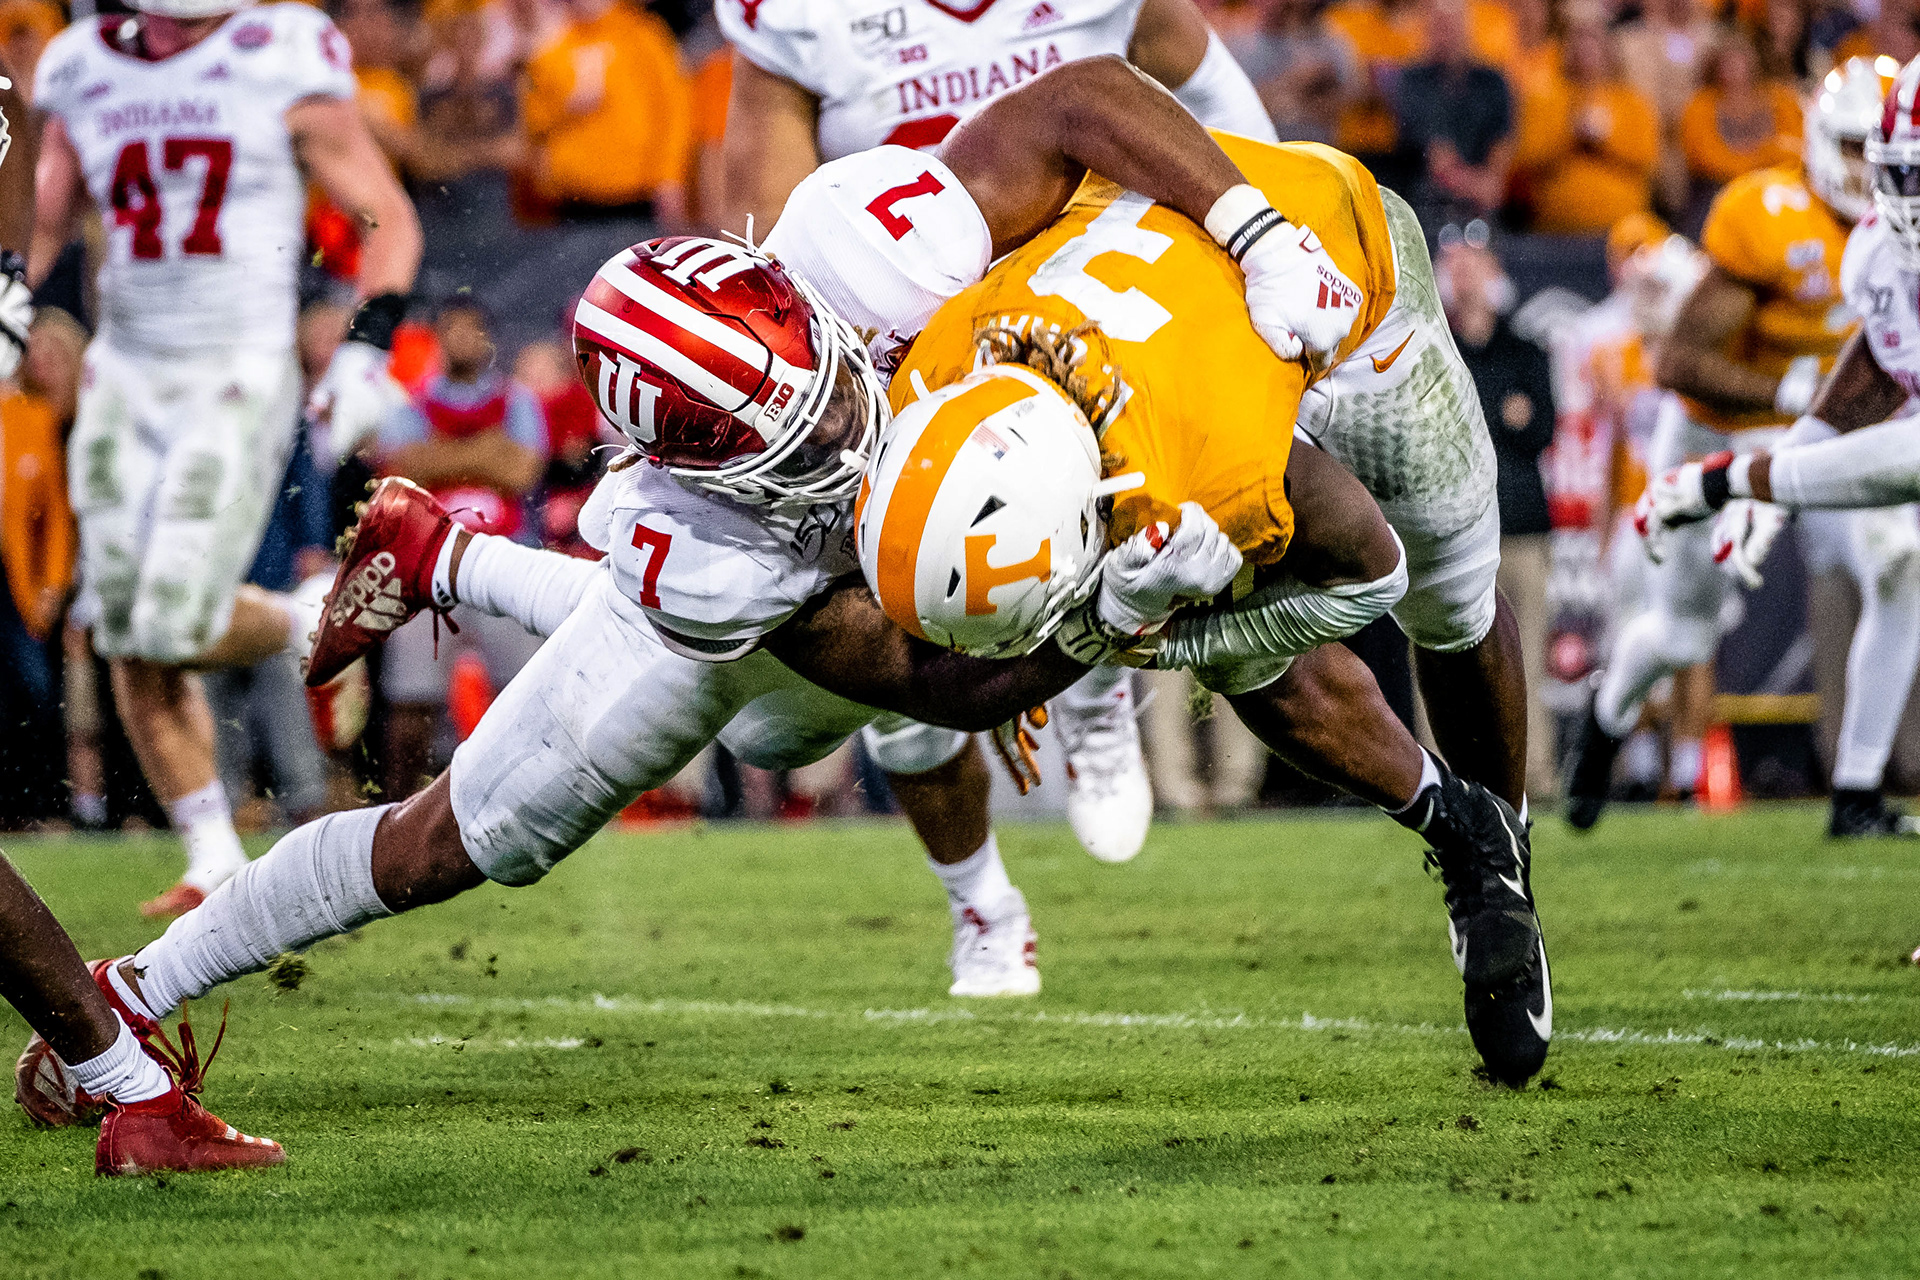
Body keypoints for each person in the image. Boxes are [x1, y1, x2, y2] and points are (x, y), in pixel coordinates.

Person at [41, 64, 1544, 1098]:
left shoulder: (858, 243)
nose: (844, 420)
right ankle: (140, 987)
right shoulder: (710, 546)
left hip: (996, 486)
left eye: (830, 387)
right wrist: (1106, 614)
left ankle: (455, 552)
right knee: (471, 839)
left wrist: (1250, 230)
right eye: (803, 433)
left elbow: (1081, 99)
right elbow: (940, 682)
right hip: (771, 642)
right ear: (711, 470)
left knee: (1230, 591)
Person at [718, 0, 1278, 870]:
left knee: (1150, 501)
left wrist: (1264, 236)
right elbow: (764, 233)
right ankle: (981, 895)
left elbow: (1211, 96)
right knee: (884, 608)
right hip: (902, 321)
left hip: (1082, 287)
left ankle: (1094, 685)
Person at [27, 0, 422, 916]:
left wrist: (368, 342)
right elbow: (40, 220)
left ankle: (314, 616)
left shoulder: (277, 47)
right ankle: (213, 856)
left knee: (166, 618)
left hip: (236, 372)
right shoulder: (80, 62)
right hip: (124, 373)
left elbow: (387, 217)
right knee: (123, 628)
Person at [1567, 58, 1920, 839]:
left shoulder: (1874, 246)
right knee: (1685, 631)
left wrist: (1773, 467)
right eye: (1860, 149)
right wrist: (1787, 408)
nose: (1869, 172)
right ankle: (1610, 709)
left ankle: (1855, 790)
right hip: (1721, 427)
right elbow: (1678, 364)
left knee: (1901, 564)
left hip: (1822, 435)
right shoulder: (1779, 217)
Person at [374, 296, 547, 799]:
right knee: (410, 706)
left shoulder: (517, 400)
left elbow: (521, 472)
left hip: (505, 565)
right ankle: (394, 809)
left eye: (471, 331)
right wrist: (486, 452)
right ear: (437, 339)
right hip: (429, 572)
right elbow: (399, 474)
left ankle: (532, 799)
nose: (462, 341)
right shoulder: (413, 401)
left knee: (525, 694)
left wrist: (439, 457)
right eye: (451, 331)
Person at [1438, 235, 1557, 800]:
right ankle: (1442, 779)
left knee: (1525, 659)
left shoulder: (1525, 349)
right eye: (1453, 263)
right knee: (1443, 662)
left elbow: (1540, 430)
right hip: (1452, 531)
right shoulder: (1432, 346)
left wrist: (1514, 421)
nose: (1462, 275)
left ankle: (1535, 774)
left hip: (1520, 527)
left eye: (1473, 262)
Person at [1515, 8, 1660, 236]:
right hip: (1557, 227)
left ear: (1609, 49)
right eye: (1579, 41)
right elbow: (1528, 157)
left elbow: (1646, 157)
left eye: (1593, 42)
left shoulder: (1632, 101)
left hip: (1619, 227)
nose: (1586, 49)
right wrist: (1570, 135)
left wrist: (1606, 140)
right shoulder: (1544, 96)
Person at [1392, 0, 1512, 228]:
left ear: (1467, 26)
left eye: (1451, 22)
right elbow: (1438, 159)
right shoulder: (1413, 82)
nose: (1446, 31)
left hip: (1483, 209)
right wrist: (1477, 184)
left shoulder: (1493, 82)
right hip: (1428, 205)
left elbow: (1501, 151)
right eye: (1438, 22)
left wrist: (1490, 183)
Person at [1678, 26, 1804, 189]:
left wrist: (1764, 162)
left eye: (1739, 61)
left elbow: (1794, 145)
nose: (1735, 69)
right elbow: (1704, 158)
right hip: (1719, 185)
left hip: (1776, 180)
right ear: (1716, 67)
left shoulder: (1781, 99)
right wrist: (1749, 169)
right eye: (1727, 63)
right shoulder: (1700, 105)